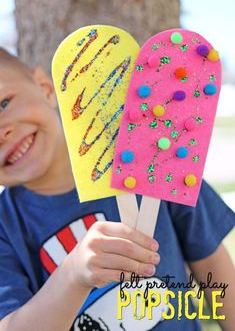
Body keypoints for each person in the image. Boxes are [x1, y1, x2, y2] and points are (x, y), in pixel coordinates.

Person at [0, 48, 234, 331]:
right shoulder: (5, 228)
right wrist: (73, 275)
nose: (2, 132)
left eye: (4, 103)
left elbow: (212, 264)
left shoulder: (153, 157)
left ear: (45, 88)